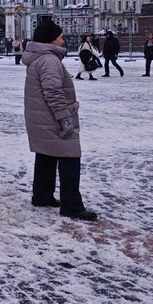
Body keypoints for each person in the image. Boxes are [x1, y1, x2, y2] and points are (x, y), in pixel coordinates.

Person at [21, 19, 97, 221]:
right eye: (60, 37)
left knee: (46, 154)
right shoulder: (49, 60)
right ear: (51, 39)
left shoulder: (39, 58)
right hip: (51, 118)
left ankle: (42, 196)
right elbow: (53, 91)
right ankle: (71, 205)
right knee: (69, 155)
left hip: (41, 117)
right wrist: (64, 117)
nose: (63, 40)